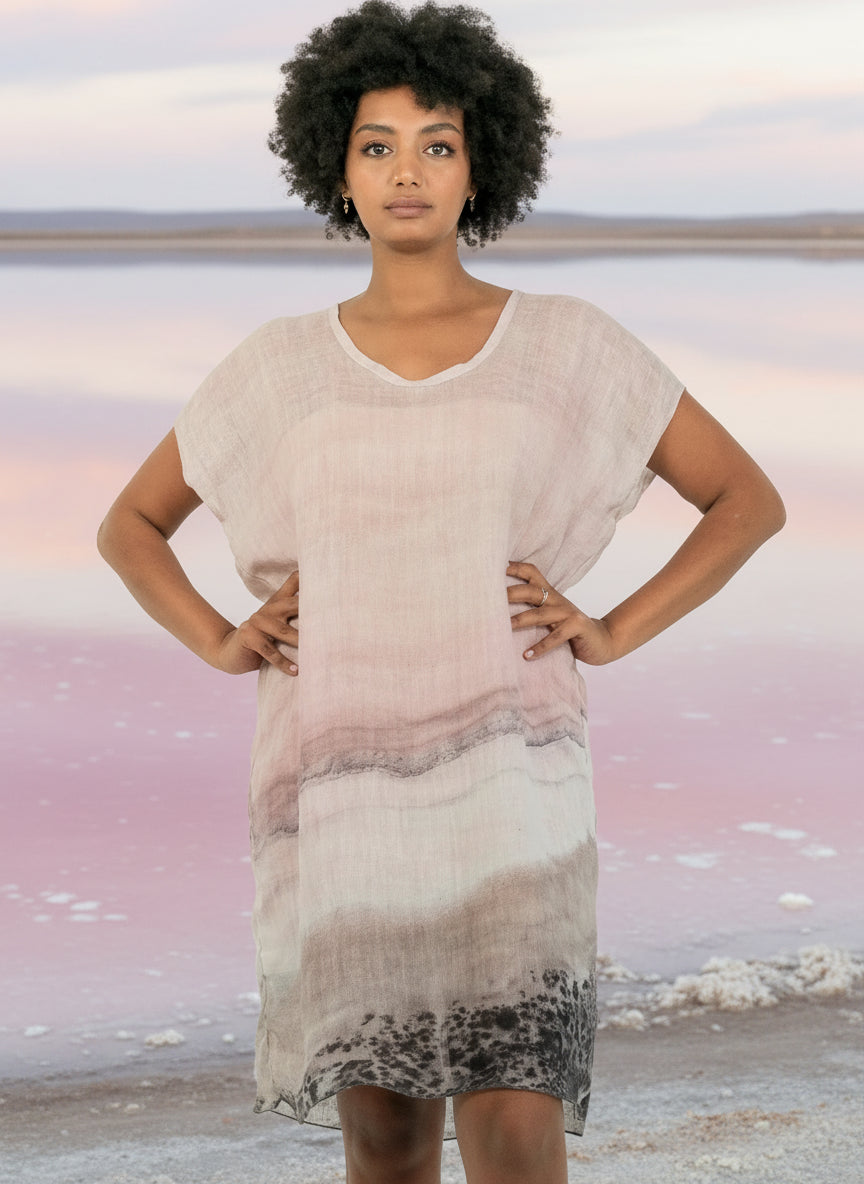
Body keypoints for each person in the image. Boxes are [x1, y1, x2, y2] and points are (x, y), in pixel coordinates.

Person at [97, 3, 786, 1181]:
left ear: (482, 165)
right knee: (387, 1137)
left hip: (515, 795)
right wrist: (221, 636)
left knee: (517, 1126)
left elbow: (745, 501)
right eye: (377, 144)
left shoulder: (569, 344)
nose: (406, 171)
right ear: (338, 167)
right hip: (344, 799)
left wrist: (611, 626)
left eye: (437, 142)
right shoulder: (276, 365)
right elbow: (131, 525)